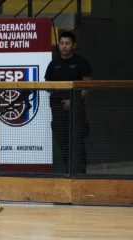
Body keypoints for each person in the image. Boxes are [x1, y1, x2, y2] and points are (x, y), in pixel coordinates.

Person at [45, 31, 92, 174]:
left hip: (76, 108)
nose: (64, 46)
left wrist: (73, 101)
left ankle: (80, 173)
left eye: (67, 43)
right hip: (57, 109)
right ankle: (67, 172)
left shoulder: (81, 62)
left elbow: (87, 86)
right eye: (62, 43)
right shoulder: (53, 64)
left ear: (74, 45)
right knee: (63, 143)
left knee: (77, 142)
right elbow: (48, 86)